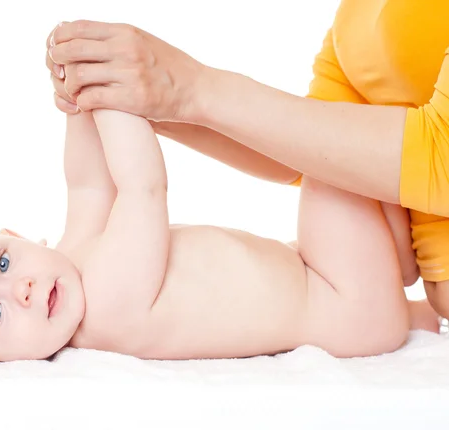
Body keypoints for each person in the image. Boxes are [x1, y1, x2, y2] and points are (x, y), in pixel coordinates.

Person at [0, 100, 436, 362]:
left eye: (2, 263)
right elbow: (142, 186)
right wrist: (119, 93)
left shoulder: (76, 257)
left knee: (343, 156)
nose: (19, 290)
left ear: (15, 234)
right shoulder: (104, 311)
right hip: (339, 304)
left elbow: (89, 184)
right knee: (327, 156)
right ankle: (404, 269)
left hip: (316, 272)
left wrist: (78, 93)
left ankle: (409, 286)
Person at [45, 1, 449, 319]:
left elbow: (439, 156)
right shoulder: (362, 15)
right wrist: (138, 99)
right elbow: (316, 151)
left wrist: (190, 88)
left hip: (360, 309)